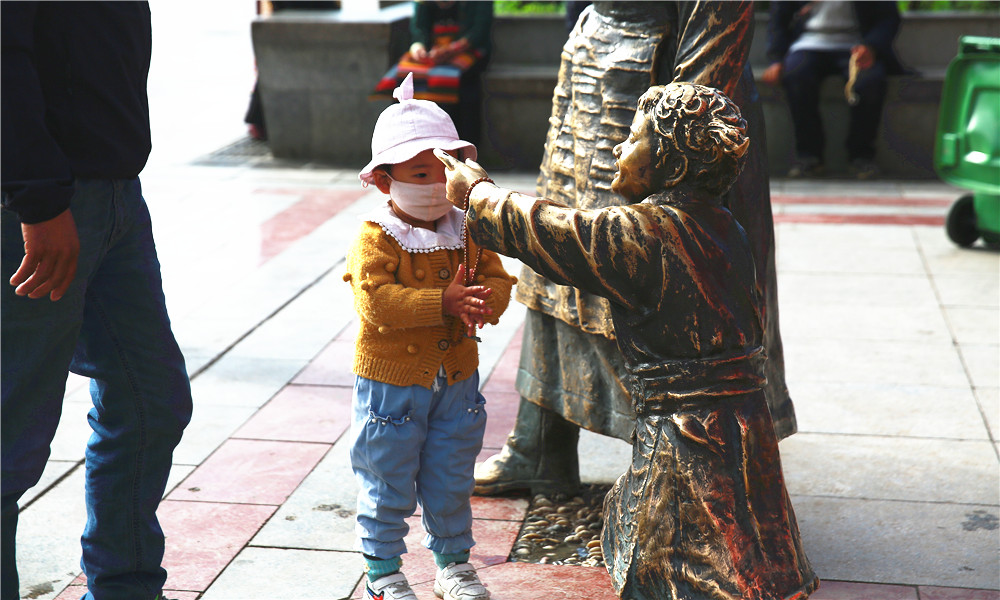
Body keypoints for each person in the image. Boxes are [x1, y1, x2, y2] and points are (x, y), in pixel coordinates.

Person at [436, 81, 818, 600]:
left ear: (673, 166)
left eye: (633, 138)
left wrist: (478, 194)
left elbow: (559, 233)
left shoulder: (645, 232)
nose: (618, 148)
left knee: (690, 569)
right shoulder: (721, 223)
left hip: (687, 442)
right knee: (746, 544)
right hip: (743, 431)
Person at [474, 1, 798, 498]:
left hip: (662, 94)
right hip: (592, 65)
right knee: (555, 269)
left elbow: (718, 25)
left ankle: (696, 470)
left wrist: (684, 142)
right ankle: (540, 442)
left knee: (643, 269)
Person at [1, 3, 193, 600]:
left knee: (151, 398)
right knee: (10, 432)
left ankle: (126, 588)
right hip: (42, 204)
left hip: (114, 193)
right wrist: (35, 197)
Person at [345, 73, 515, 600]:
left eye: (443, 174)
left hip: (456, 382)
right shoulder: (377, 236)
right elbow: (373, 303)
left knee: (450, 475)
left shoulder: (466, 227)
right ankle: (383, 571)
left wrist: (484, 301)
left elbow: (498, 277)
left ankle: (453, 564)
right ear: (383, 180)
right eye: (419, 173)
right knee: (387, 473)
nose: (436, 187)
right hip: (391, 385)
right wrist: (441, 302)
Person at [762, 1, 904, 179]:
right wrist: (776, 59)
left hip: (857, 44)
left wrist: (871, 46)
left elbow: (888, 17)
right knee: (796, 77)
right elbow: (778, 20)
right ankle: (809, 157)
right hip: (807, 43)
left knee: (870, 82)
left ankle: (861, 157)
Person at [371, 1, 494, 147]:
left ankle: (457, 144)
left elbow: (478, 33)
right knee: (404, 75)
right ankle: (403, 142)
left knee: (449, 80)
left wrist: (450, 50)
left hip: (467, 51)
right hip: (432, 54)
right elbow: (418, 31)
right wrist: (418, 48)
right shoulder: (423, 3)